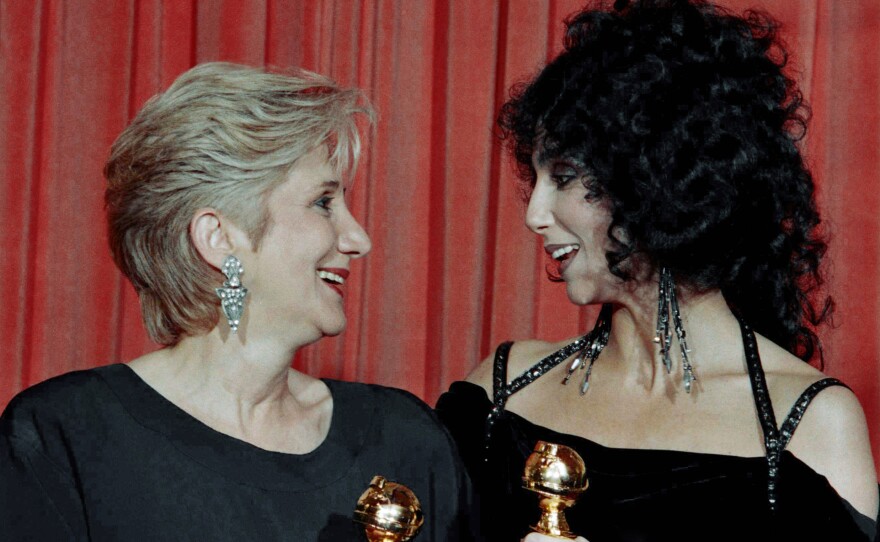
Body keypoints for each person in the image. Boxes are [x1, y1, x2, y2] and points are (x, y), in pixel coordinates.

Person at [436, 0, 879, 540]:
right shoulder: (501, 391)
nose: (534, 214)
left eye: (566, 175)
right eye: (537, 177)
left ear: (656, 177)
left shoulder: (807, 422)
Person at [0, 62, 475, 541]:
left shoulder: (404, 439)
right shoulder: (65, 436)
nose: (358, 238)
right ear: (218, 237)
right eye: (323, 202)